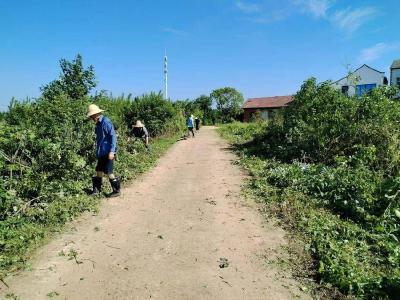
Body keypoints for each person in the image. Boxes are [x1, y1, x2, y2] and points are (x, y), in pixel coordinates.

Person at [87, 104, 120, 197]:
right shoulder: (98, 124)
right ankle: (97, 191)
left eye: (91, 116)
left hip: (108, 151)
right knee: (98, 170)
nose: (91, 118)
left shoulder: (105, 122)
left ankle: (116, 191)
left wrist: (112, 151)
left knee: (109, 172)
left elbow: (113, 136)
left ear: (96, 114)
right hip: (102, 152)